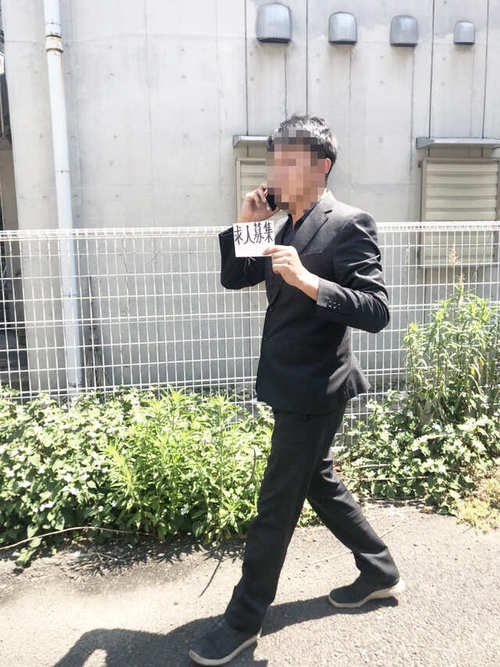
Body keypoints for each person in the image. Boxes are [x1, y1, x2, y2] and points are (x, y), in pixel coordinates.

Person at [188, 114, 405, 665]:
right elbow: (236, 278)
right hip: (286, 380)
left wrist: (309, 280)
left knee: (275, 506)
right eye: (274, 160)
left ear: (321, 166)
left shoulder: (348, 224)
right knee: (318, 483)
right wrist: (246, 225)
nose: (276, 171)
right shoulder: (281, 225)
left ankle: (243, 621)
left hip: (317, 388)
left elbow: (376, 311)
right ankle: (379, 571)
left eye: (289, 160)